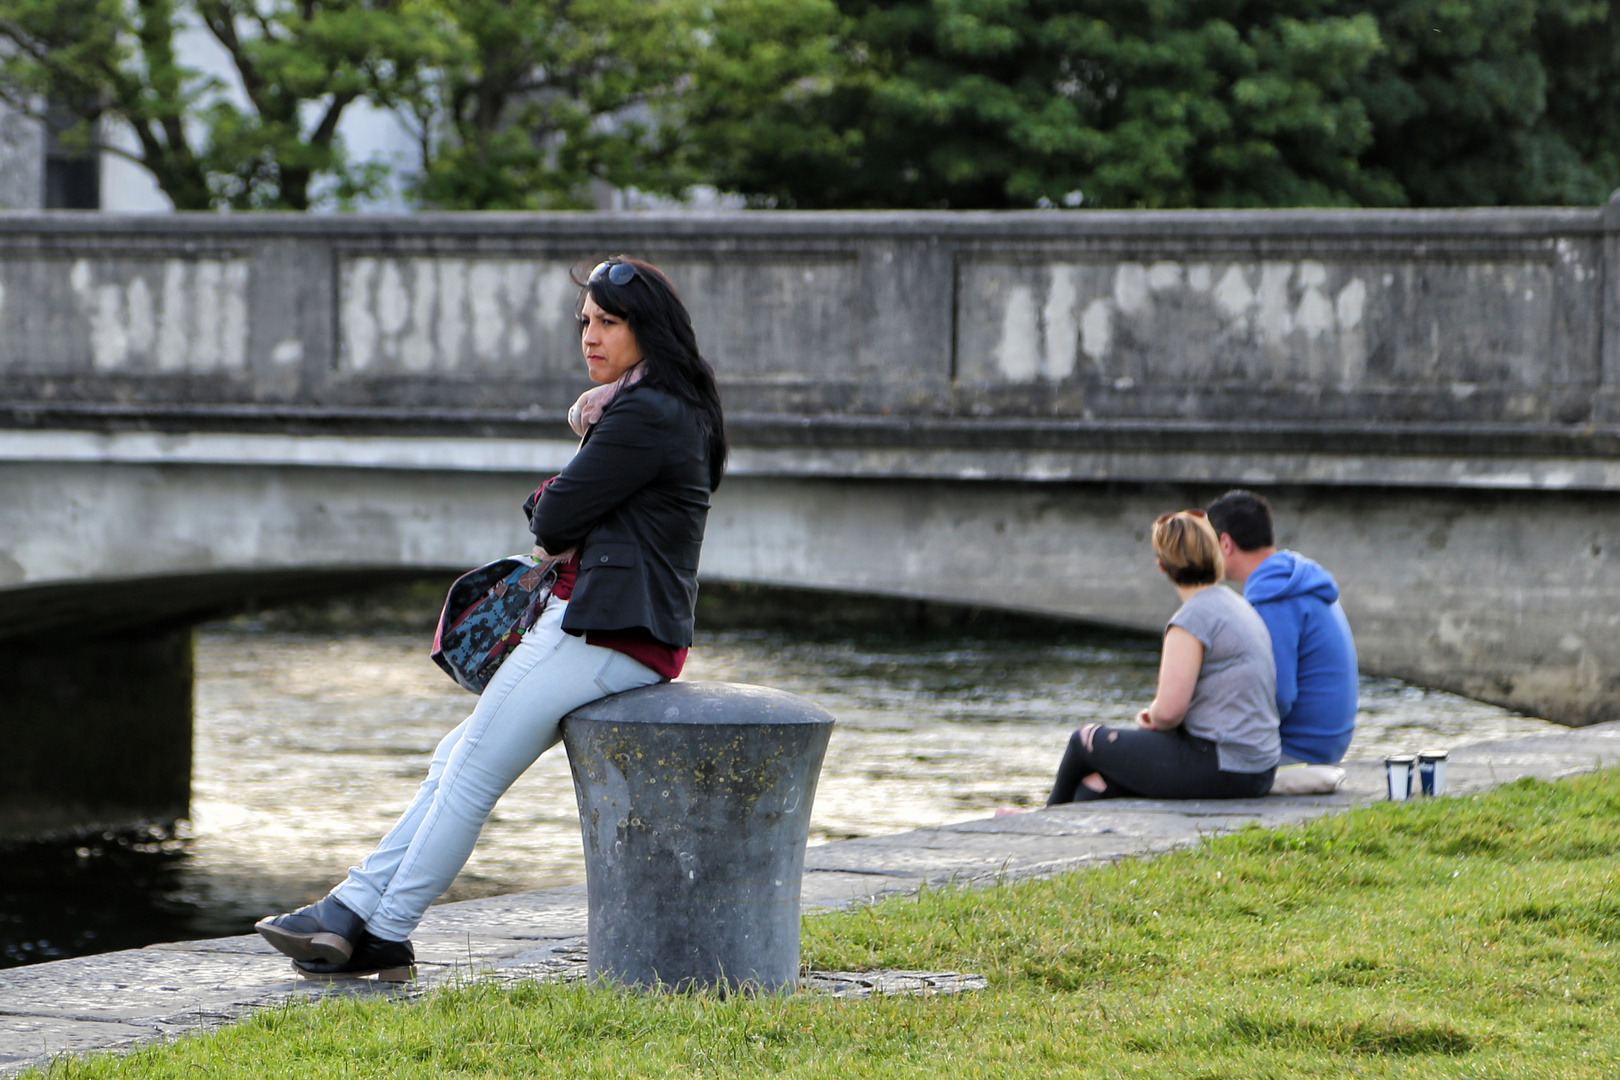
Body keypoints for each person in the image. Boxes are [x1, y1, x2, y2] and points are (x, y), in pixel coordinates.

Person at [254, 256, 727, 980]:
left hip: (602, 632)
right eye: (586, 323)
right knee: (454, 758)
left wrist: (556, 493)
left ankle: (380, 931)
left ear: (649, 331)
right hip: (618, 630)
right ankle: (350, 913)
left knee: (470, 774)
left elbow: (557, 515)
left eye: (609, 322)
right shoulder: (660, 408)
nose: (591, 338)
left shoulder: (646, 412)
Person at [1047, 510, 1279, 805]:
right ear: (1216, 555)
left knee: (1084, 740)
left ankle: (1039, 819)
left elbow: (1169, 713)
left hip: (1222, 766)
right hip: (1258, 767)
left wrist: (1151, 715)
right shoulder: (1239, 606)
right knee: (1096, 785)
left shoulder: (1192, 620)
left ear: (1161, 566)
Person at [1204, 490, 1358, 766]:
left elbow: (1277, 694)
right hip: (1326, 744)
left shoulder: (1272, 596)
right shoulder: (1291, 578)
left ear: (1225, 544)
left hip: (1297, 751)